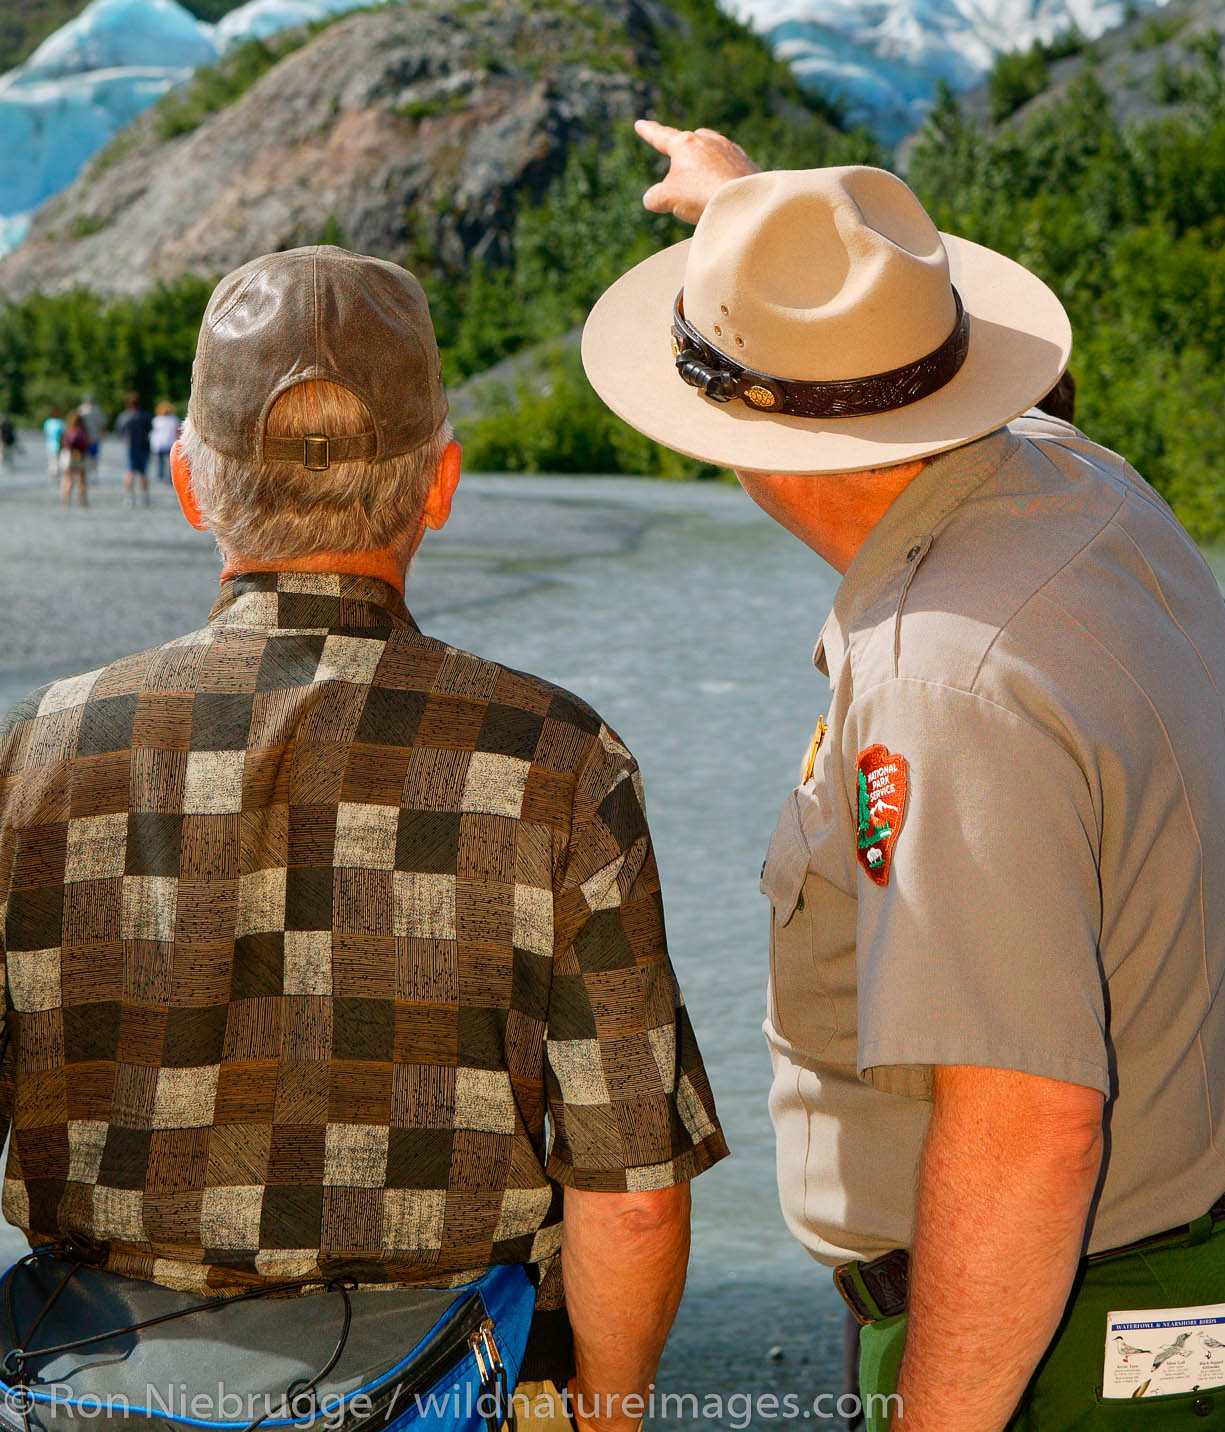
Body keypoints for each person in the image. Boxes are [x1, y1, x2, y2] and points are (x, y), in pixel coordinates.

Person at [580, 121, 1225, 1432]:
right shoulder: (1070, 477)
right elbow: (877, 344)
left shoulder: (946, 683)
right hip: (1200, 1281)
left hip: (1089, 1351)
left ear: (736, 438)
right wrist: (756, 215)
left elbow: (1027, 1130)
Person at [0, 246, 726, 1429]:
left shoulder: (36, 750)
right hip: (448, 1375)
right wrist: (605, 1414)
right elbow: (630, 1191)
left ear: (191, 485)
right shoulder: (559, 759)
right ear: (439, 484)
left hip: (95, 1384)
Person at [114, 388, 153, 503]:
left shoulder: (124, 417)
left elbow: (119, 432)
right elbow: (150, 430)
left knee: (129, 472)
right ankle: (145, 496)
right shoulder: (145, 416)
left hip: (130, 447)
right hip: (144, 447)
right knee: (143, 473)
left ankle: (129, 497)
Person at [58, 406, 90, 508]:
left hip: (68, 455)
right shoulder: (83, 432)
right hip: (80, 456)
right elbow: (87, 444)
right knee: (82, 480)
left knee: (68, 479)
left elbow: (62, 444)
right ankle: (83, 501)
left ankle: (66, 501)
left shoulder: (67, 431)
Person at [149, 396, 181, 479]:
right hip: (170, 443)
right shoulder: (174, 419)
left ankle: (160, 476)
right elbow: (177, 432)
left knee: (160, 461)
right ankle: (170, 478)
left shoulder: (156, 419)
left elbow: (153, 432)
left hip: (158, 443)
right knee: (171, 462)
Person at [80, 391, 107, 477]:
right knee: (93, 458)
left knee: (86, 458)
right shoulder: (98, 410)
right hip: (93, 438)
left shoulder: (81, 410)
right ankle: (93, 474)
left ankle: (88, 474)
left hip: (86, 438)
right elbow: (103, 425)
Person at [41, 411, 64, 485]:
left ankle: (53, 477)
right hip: (59, 445)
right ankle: (57, 477)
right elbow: (63, 434)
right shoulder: (60, 423)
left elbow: (45, 433)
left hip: (50, 445)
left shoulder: (48, 422)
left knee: (52, 462)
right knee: (58, 462)